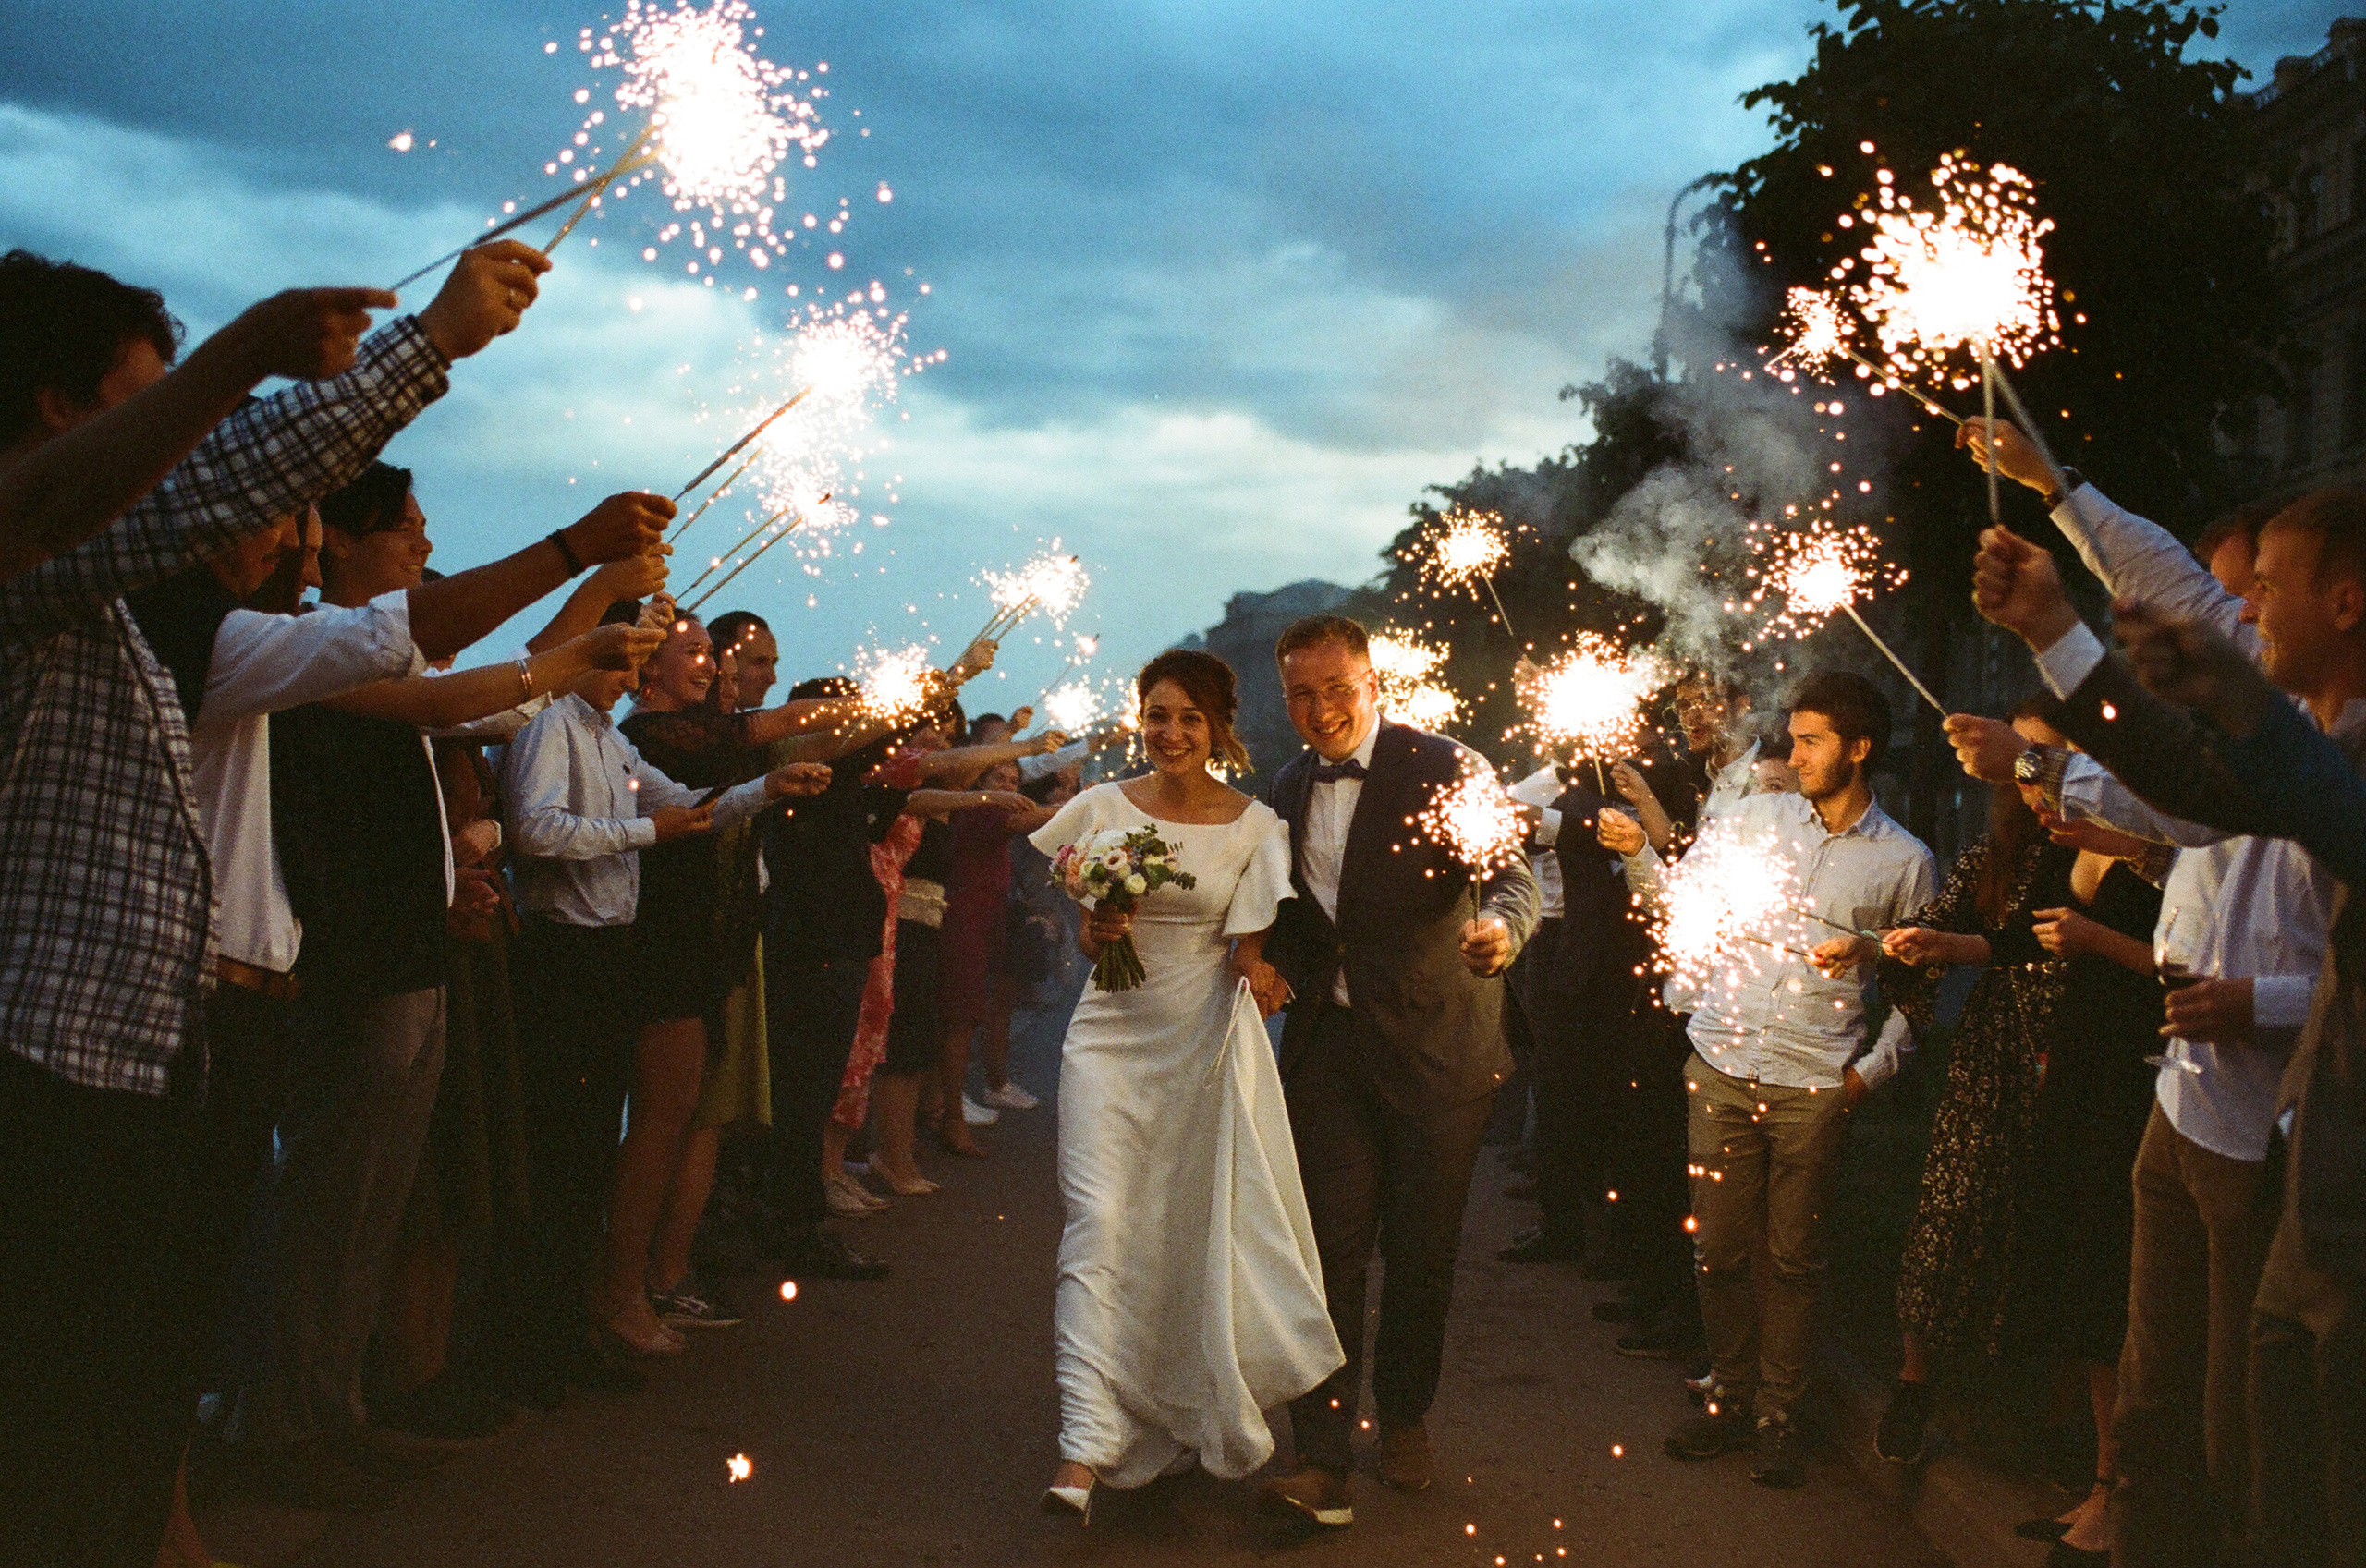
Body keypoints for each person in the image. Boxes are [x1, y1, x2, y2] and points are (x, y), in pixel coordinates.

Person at [0, 243, 534, 1568]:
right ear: (62, 410)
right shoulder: (34, 554)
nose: (186, 444)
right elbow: (242, 521)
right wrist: (395, 347)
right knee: (55, 1425)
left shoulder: (107, 605)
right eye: (149, 400)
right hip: (45, 1072)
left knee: (119, 1395)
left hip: (137, 1060)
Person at [1950, 422, 2352, 1565]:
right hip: (2195, 1104)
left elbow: (2185, 791)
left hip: (2298, 1153)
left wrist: (2057, 650)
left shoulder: (2329, 760)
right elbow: (2171, 590)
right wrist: (2058, 506)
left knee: (2266, 1451)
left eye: (2266, 589)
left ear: (2346, 603)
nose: (2241, 611)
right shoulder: (2292, 727)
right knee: (2166, 1395)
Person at [1031, 648, 1340, 1516]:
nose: (1170, 732)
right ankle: (1083, 1446)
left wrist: (1262, 971)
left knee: (1180, 1235)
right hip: (1108, 1041)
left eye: (1189, 719)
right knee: (1099, 1222)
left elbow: (1248, 947)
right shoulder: (1101, 807)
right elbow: (1089, 939)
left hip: (1203, 1045)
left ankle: (1170, 1408)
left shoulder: (1255, 826)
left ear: (1218, 729)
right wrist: (1099, 928)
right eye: (1157, 715)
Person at [1624, 669, 1936, 1489]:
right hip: (1723, 1060)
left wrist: (1865, 1077)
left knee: (1796, 1259)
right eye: (1791, 738)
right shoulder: (1755, 818)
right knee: (1720, 1249)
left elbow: (1918, 989)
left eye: (1810, 741)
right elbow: (1682, 905)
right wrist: (1640, 855)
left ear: (1858, 748)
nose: (1792, 756)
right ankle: (1728, 1394)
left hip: (1814, 1079)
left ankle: (1778, 1416)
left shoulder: (1905, 861)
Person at [1259, 614, 1540, 1527]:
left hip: (1437, 1048)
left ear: (1373, 683)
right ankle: (1322, 1453)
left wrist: (1501, 931)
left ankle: (1407, 1413)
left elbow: (1511, 878)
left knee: (1421, 1253)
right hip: (1329, 1052)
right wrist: (1263, 962)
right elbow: (1290, 915)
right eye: (1301, 694)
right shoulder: (1285, 785)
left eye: (1337, 688)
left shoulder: (1449, 765)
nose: (1321, 709)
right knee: (1325, 1256)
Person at [1870, 700, 2079, 1466]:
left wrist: (1958, 945)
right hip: (1991, 1055)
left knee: (2053, 1231)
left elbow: (2033, 945)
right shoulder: (1993, 853)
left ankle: (2052, 1414)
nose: (2027, 771)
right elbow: (1940, 924)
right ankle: (1914, 1381)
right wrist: (1882, 947)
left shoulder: (2098, 848)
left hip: (2070, 1056)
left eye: (2044, 752)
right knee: (1950, 1210)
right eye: (2021, 752)